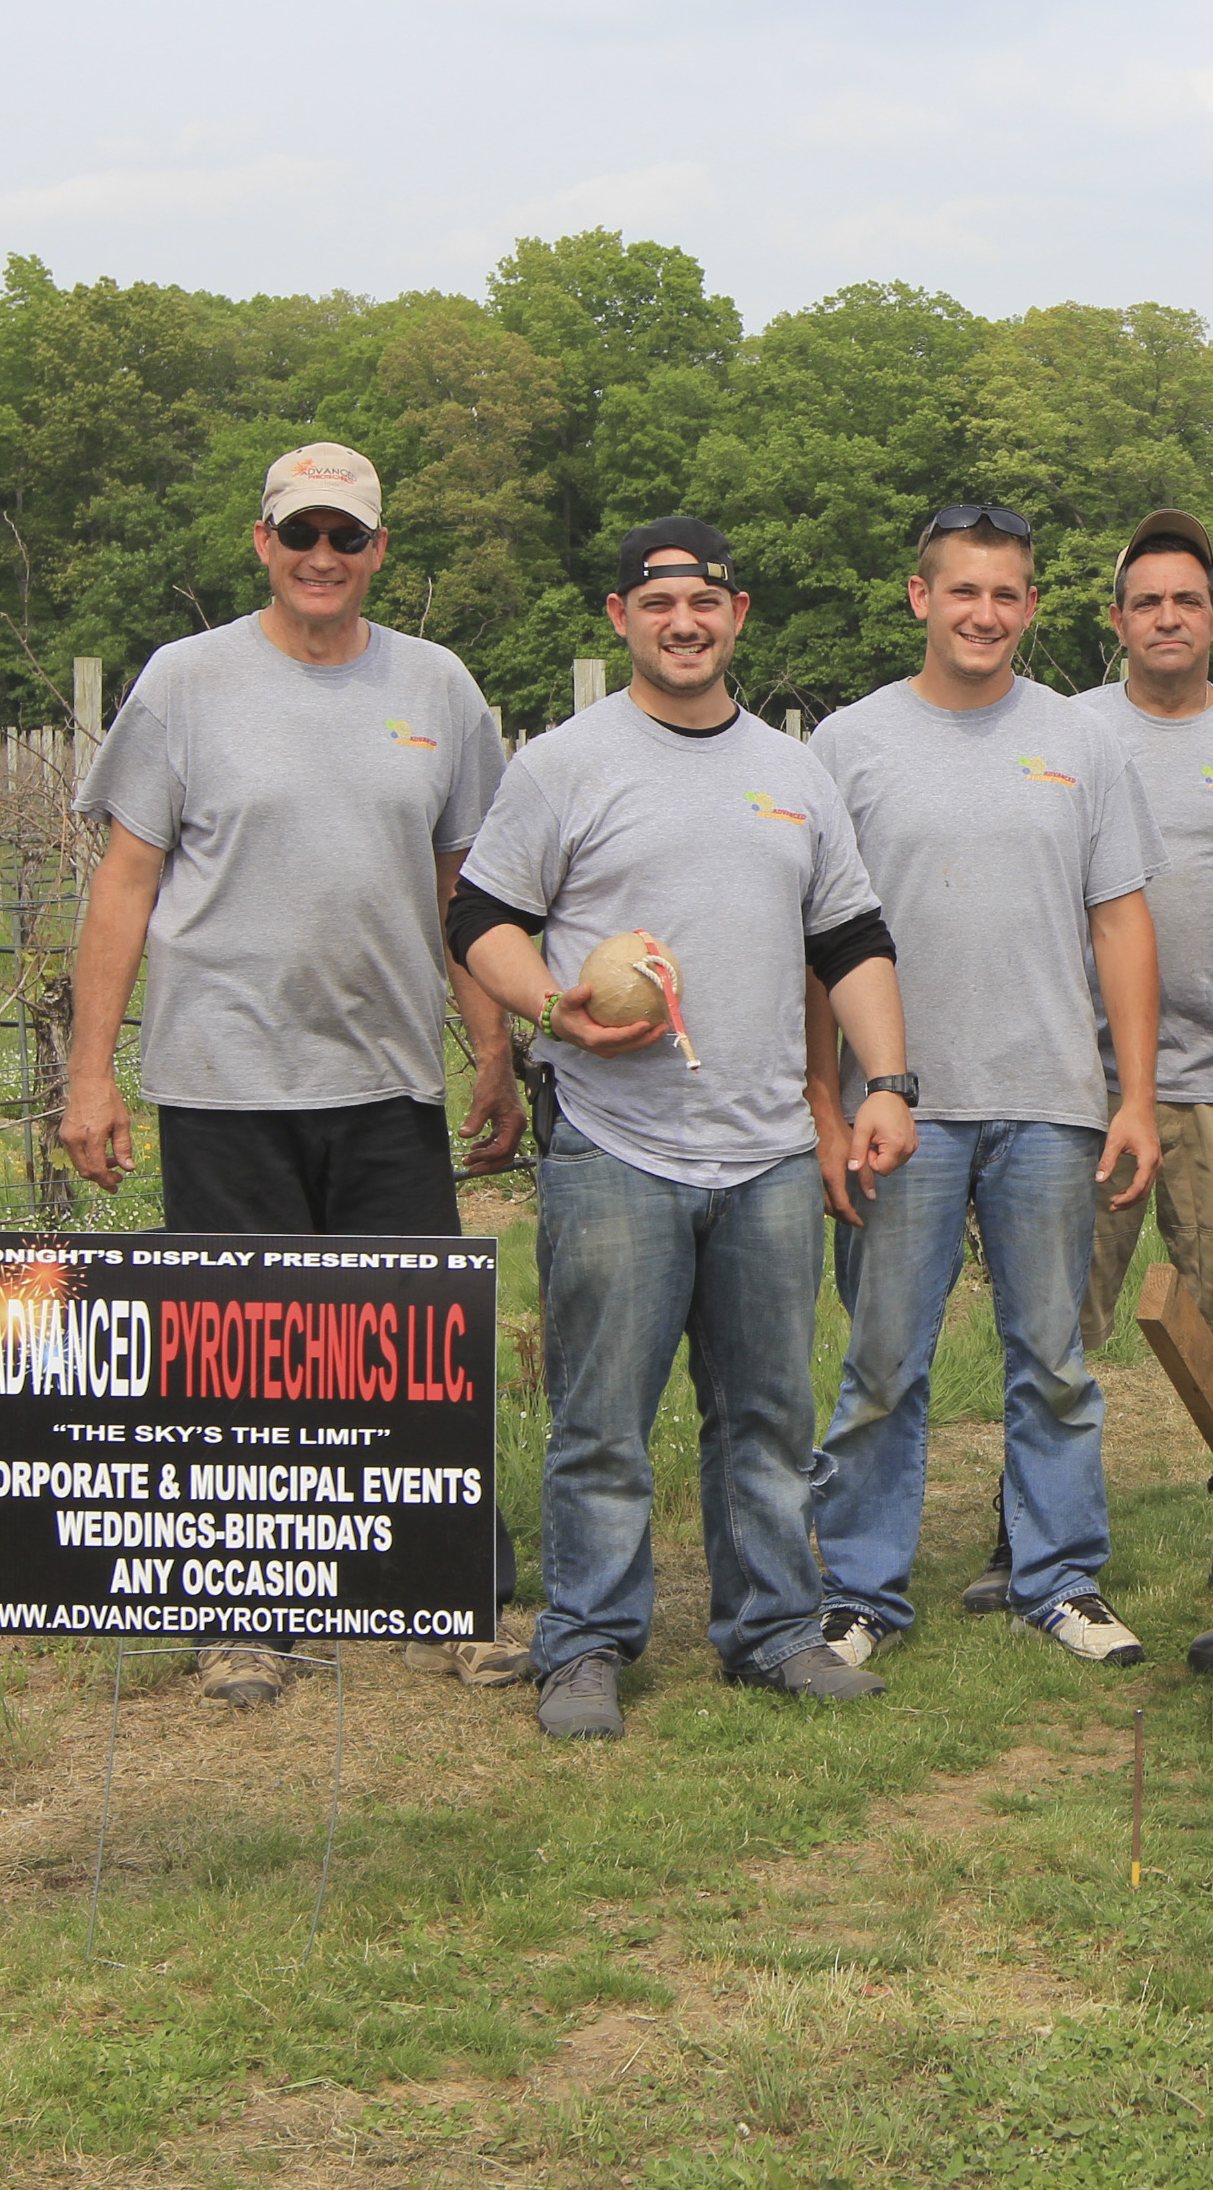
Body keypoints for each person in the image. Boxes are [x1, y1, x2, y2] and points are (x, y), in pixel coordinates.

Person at [65, 440, 522, 1709]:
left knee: (418, 1356)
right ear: (261, 542)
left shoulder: (437, 685)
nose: (324, 557)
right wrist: (90, 1076)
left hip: (385, 1076)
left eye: (348, 537)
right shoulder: (186, 682)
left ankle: (453, 1595)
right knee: (233, 1360)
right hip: (221, 1076)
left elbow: (461, 887)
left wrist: (492, 1045)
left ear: (380, 551)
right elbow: (125, 882)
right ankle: (242, 1614)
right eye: (301, 534)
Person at [450, 517, 917, 1738]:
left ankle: (773, 1631)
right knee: (601, 1420)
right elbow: (482, 918)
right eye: (658, 605)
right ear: (620, 619)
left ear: (738, 613)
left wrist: (889, 1084)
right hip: (614, 1146)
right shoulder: (565, 763)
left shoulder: (794, 771)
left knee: (766, 1415)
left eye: (705, 602)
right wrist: (553, 1008)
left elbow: (851, 940)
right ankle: (587, 1645)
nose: (685, 623)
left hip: (763, 1149)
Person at [806, 502, 1164, 1670]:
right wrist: (823, 1101)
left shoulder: (1081, 740)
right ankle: (859, 1589)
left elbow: (1120, 923)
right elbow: (815, 942)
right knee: (881, 1363)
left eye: (1007, 594)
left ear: (1032, 607)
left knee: (1053, 1360)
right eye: (963, 591)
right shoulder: (849, 746)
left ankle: (1058, 1578)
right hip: (895, 1107)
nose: (984, 613)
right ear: (921, 597)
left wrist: (1136, 1094)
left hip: (1053, 1099)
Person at [957, 512, 1213, 1623]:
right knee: (1054, 1325)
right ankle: (1027, 1534)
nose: (1167, 618)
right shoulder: (1066, 729)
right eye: (1146, 602)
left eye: (1187, 600)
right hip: (1080, 1088)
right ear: (1116, 620)